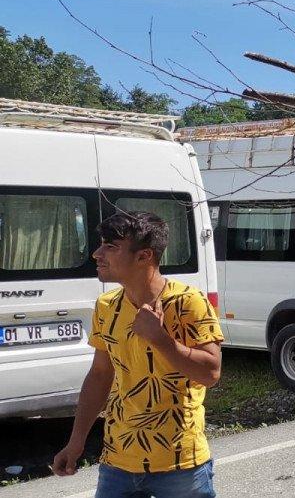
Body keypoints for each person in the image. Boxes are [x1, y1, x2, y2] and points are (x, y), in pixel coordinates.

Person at [51, 211, 224, 498]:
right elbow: (100, 375)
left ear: (144, 256)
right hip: (118, 461)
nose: (97, 254)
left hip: (180, 462)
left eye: (110, 247)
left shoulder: (188, 302)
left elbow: (210, 373)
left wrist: (160, 339)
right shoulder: (107, 306)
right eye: (101, 244)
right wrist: (76, 441)